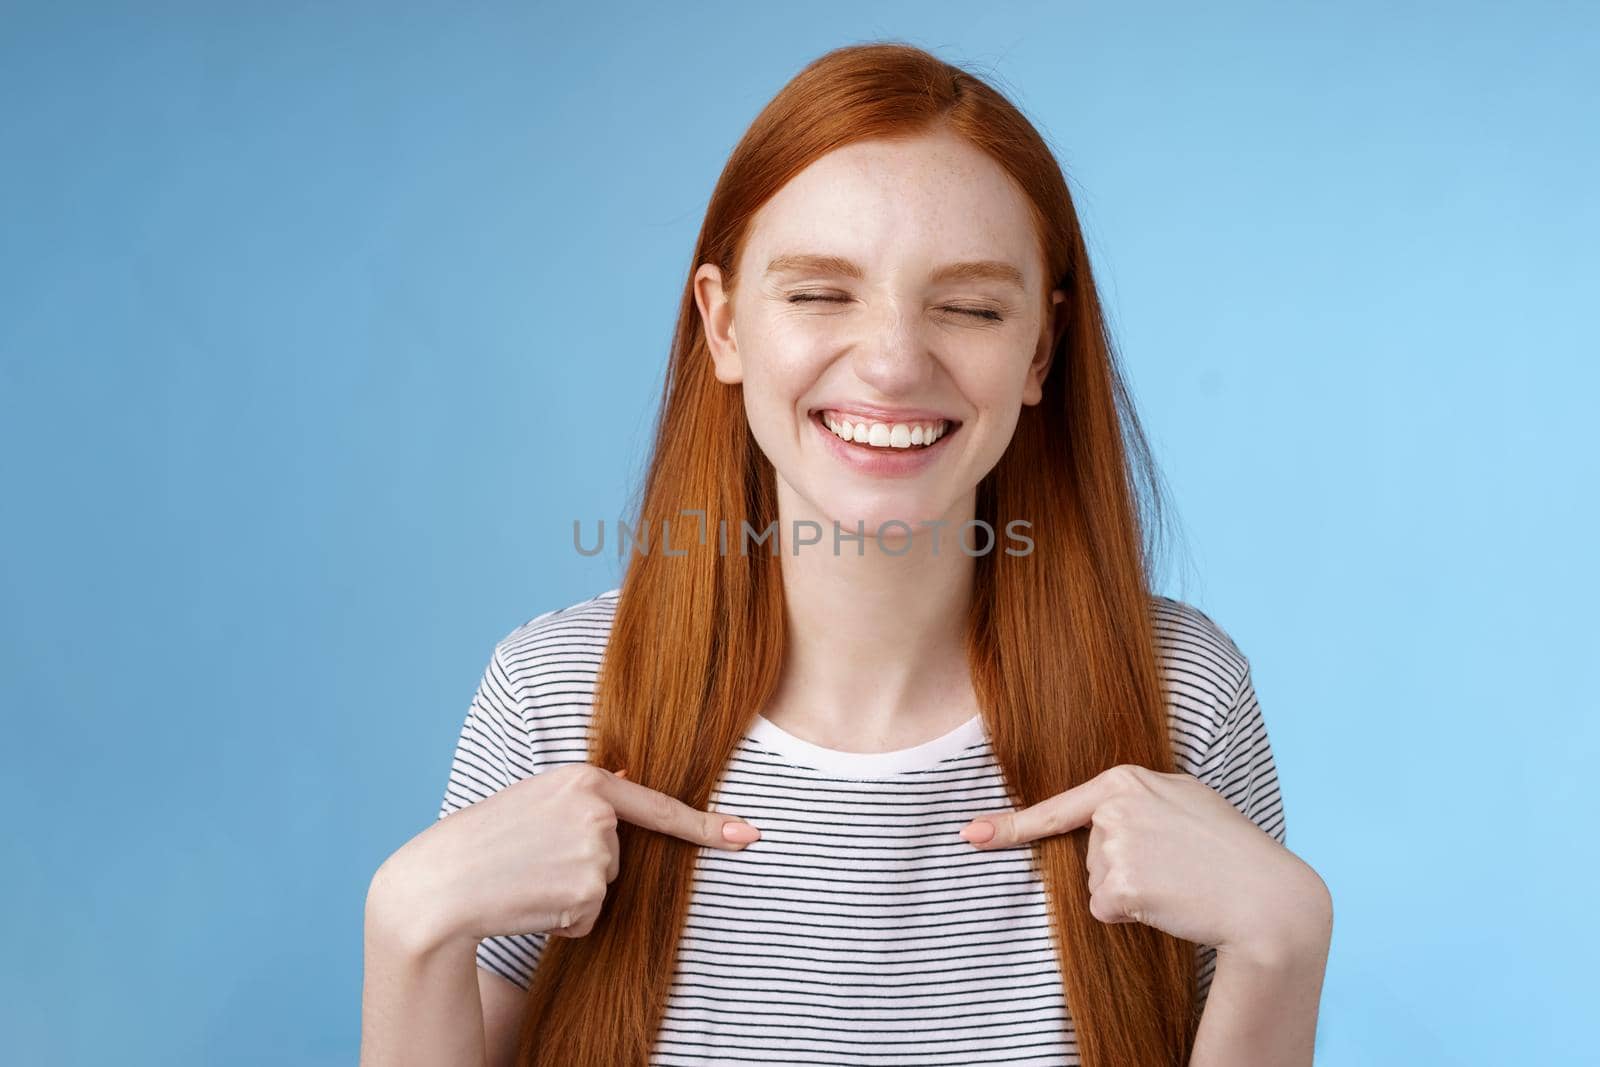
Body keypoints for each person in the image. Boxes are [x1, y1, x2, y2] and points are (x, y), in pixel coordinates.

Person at [362, 40, 1332, 1067]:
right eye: (821, 293)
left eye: (968, 306)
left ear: (1039, 353)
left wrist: (1283, 943)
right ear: (724, 324)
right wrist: (407, 925)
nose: (891, 360)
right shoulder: (553, 694)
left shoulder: (1183, 695)